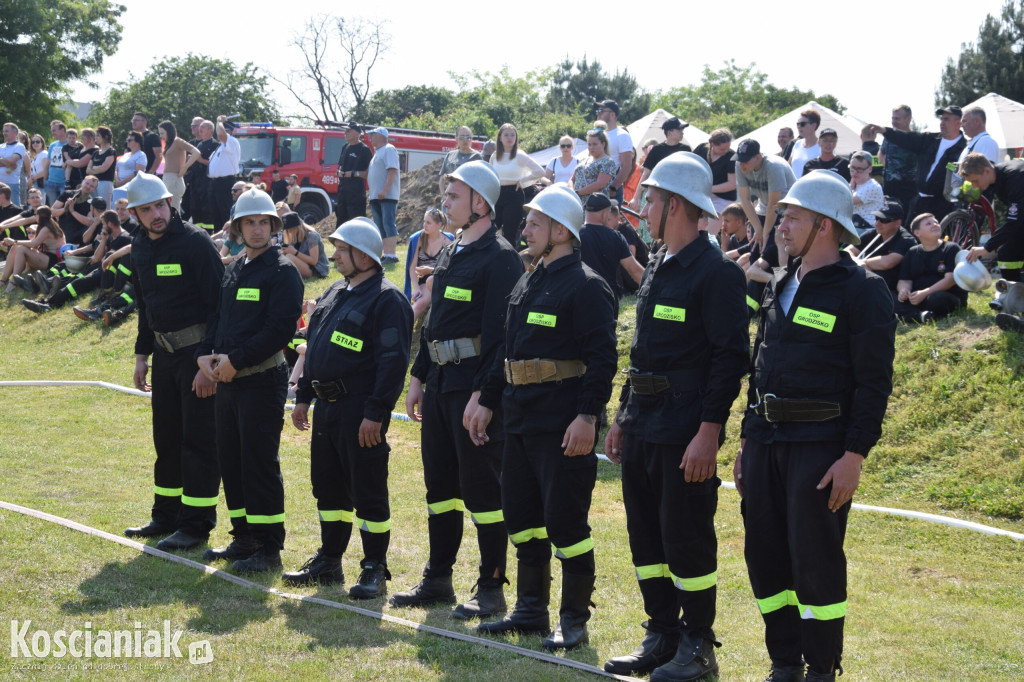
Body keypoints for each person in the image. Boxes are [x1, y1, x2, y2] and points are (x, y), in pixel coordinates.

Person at [737, 169, 895, 682]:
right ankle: (784, 662)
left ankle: (820, 667)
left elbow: (873, 384)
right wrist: (746, 438)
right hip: (765, 441)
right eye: (781, 215)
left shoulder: (863, 291)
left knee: (815, 562)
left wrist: (854, 455)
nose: (780, 224)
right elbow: (760, 365)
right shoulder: (782, 283)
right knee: (764, 555)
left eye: (793, 217)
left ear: (824, 225)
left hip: (820, 446)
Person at [602, 152, 749, 681]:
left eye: (652, 198)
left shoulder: (716, 274)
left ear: (678, 205)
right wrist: (622, 414)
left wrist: (709, 432)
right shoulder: (660, 264)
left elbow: (730, 360)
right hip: (643, 421)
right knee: (646, 536)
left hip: (685, 428)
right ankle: (661, 634)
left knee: (685, 536)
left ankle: (697, 644)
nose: (643, 207)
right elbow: (642, 351)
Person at [476, 184, 616, 649]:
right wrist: (489, 400)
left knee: (565, 522)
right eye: (527, 221)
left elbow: (602, 360)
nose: (526, 229)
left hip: (562, 422)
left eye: (536, 223)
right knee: (522, 515)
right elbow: (506, 349)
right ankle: (531, 609)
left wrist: (587, 416)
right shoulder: (527, 279)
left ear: (561, 230)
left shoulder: (588, 286)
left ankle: (573, 619)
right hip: (519, 416)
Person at [391, 161, 522, 619]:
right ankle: (438, 578)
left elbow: (501, 337)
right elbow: (434, 324)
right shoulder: (449, 252)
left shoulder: (501, 257)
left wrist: (485, 397)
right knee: (440, 488)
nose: (444, 203)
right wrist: (417, 377)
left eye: (453, 196)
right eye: (446, 196)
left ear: (480, 203)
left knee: (481, 491)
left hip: (473, 389)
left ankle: (491, 587)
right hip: (442, 385)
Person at [284, 217, 413, 596]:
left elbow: (393, 364)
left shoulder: (387, 301)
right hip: (326, 409)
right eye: (336, 248)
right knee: (328, 488)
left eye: (342, 249)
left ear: (364, 255)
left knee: (368, 489)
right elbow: (315, 348)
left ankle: (374, 567)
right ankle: (329, 560)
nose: (335, 255)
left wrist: (376, 413)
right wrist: (303, 397)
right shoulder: (334, 293)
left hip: (360, 411)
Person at [193, 188, 302, 573]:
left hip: (261, 380)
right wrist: (204, 355)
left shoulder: (283, 271)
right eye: (249, 222)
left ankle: (269, 548)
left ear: (274, 226)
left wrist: (235, 361)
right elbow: (218, 321)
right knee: (232, 460)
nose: (257, 229)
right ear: (238, 227)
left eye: (263, 222)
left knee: (258, 463)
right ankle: (244, 538)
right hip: (229, 382)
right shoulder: (234, 268)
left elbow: (279, 330)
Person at [123, 172, 224, 552]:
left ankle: (195, 525)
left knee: (197, 441)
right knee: (166, 439)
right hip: (164, 357)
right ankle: (165, 516)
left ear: (170, 203)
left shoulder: (196, 243)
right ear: (135, 213)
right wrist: (141, 355)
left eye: (159, 205)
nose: (155, 214)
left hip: (196, 357)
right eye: (146, 209)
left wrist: (208, 363)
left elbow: (220, 306)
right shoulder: (139, 247)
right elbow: (146, 306)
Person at [21, 209, 133, 315]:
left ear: (110, 224)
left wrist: (101, 249)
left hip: (108, 275)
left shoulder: (124, 238)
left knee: (78, 283)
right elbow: (97, 257)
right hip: (102, 269)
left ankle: (50, 304)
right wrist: (103, 240)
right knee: (76, 280)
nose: (102, 227)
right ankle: (47, 301)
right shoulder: (111, 236)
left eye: (103, 224)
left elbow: (103, 259)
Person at [870, 106, 965, 222]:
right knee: (910, 234)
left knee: (935, 237)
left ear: (958, 123)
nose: (942, 123)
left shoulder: (964, 148)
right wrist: (886, 131)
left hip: (942, 205)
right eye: (942, 119)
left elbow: (958, 175)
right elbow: (907, 138)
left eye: (946, 119)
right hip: (919, 201)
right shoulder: (930, 139)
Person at [961, 153, 1024, 282]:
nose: (974, 186)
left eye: (975, 181)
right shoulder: (996, 177)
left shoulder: (1016, 179)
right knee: (1007, 253)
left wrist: (986, 247)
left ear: (987, 171)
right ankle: (1015, 295)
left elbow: (1014, 221)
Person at [894, 213, 967, 323]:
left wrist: (924, 293)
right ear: (917, 232)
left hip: (944, 296)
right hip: (917, 297)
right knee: (889, 297)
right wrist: (904, 290)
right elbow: (904, 279)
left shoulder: (951, 248)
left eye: (936, 222)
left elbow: (950, 279)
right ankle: (920, 316)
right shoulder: (912, 252)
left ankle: (911, 314)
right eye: (929, 224)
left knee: (937, 298)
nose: (935, 225)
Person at [579, 193, 644, 307]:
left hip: (580, 298)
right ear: (604, 213)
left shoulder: (575, 236)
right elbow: (635, 271)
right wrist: (657, 290)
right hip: (607, 299)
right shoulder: (616, 237)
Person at [735, 139, 797, 255]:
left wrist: (765, 233)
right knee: (756, 251)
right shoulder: (739, 165)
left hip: (786, 210)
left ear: (758, 157)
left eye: (745, 160)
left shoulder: (773, 166)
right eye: (739, 159)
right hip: (764, 208)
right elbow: (745, 200)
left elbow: (774, 205)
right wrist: (758, 229)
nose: (741, 164)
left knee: (772, 255)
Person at [847, 198, 917, 296]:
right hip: (866, 283)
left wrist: (862, 264)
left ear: (898, 223)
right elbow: (847, 251)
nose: (877, 223)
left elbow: (888, 262)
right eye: (877, 218)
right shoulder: (873, 233)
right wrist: (858, 263)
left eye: (884, 220)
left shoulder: (906, 239)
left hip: (889, 290)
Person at [489, 123, 545, 246]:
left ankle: (510, 261)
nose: (510, 138)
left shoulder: (520, 155)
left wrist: (523, 181)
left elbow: (540, 171)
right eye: (506, 135)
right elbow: (490, 175)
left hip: (514, 194)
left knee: (510, 232)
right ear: (500, 138)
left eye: (512, 135)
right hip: (498, 194)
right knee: (491, 229)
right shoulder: (494, 155)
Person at [1, 206, 64, 292]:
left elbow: (33, 244)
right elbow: (34, 245)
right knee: (16, 247)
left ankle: (14, 281)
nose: (35, 217)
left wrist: (14, 241)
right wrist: (14, 243)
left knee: (21, 248)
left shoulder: (46, 228)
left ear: (38, 216)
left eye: (36, 215)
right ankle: (4, 279)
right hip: (47, 257)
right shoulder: (47, 226)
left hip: (52, 260)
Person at [408, 207, 454, 319]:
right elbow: (412, 267)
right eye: (424, 221)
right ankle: (402, 333)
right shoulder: (418, 239)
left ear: (439, 225)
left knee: (431, 285)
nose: (424, 225)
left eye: (428, 223)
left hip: (441, 279)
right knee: (418, 306)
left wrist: (429, 270)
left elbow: (450, 269)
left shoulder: (448, 241)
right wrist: (416, 288)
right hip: (424, 280)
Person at [692, 128, 737, 233]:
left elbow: (732, 184)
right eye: (722, 149)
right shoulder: (701, 149)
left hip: (722, 200)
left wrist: (708, 189)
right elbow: (690, 168)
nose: (726, 151)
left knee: (709, 233)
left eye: (728, 148)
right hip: (702, 197)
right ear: (712, 144)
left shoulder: (731, 156)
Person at [877, 105, 919, 214]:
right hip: (889, 187)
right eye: (892, 118)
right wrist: (887, 165)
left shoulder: (915, 138)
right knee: (887, 216)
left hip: (909, 189)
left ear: (908, 119)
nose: (893, 122)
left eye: (897, 119)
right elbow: (881, 153)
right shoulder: (889, 137)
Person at [594, 99, 635, 203]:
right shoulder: (597, 134)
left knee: (609, 219)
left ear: (612, 115)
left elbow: (627, 166)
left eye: (601, 111)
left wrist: (613, 188)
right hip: (593, 186)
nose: (598, 114)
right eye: (597, 111)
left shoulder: (622, 135)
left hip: (610, 188)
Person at [208, 116, 241, 232]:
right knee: (216, 215)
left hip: (225, 182)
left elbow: (221, 134)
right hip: (216, 183)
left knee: (224, 213)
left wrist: (219, 120)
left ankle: (228, 239)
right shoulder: (220, 147)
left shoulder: (232, 141)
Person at [159, 121, 201, 212]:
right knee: (169, 210)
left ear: (169, 131)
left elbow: (196, 152)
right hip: (168, 179)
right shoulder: (170, 144)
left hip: (174, 180)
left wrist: (185, 167)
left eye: (162, 133)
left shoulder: (177, 141)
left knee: (173, 210)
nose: (161, 136)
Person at [336, 124, 373, 225]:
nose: (345, 133)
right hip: (343, 190)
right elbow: (339, 166)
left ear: (356, 133)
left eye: (348, 131)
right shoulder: (345, 147)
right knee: (341, 219)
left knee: (356, 221)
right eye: (345, 131)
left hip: (356, 193)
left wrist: (354, 174)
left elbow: (370, 173)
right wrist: (338, 172)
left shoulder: (364, 150)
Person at [186, 120, 221, 227]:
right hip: (195, 182)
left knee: (207, 209)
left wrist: (200, 160)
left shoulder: (215, 145)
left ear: (210, 130)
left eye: (203, 127)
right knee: (195, 208)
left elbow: (216, 164)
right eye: (199, 127)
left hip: (207, 183)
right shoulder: (199, 144)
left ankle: (208, 232)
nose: (200, 129)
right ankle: (197, 230)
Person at [572, 123, 617, 200]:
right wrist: (571, 191)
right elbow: (572, 179)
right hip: (577, 202)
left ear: (603, 144)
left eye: (595, 144)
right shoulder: (583, 160)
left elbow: (599, 185)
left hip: (595, 205)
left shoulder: (608, 162)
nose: (591, 147)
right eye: (589, 144)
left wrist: (577, 193)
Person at [279, 211, 329, 279]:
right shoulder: (293, 237)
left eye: (290, 229)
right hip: (304, 266)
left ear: (297, 226)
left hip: (317, 270)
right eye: (286, 229)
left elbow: (314, 261)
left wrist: (295, 252)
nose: (288, 231)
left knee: (289, 257)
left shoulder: (312, 236)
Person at [439, 126, 483, 195]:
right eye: (462, 137)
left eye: (468, 137)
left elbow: (480, 180)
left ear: (471, 139)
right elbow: (442, 178)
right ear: (456, 139)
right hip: (449, 197)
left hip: (466, 198)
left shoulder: (477, 156)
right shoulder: (450, 155)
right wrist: (443, 195)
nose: (465, 140)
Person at [848, 151, 885, 232]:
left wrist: (850, 186)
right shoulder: (856, 184)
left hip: (868, 230)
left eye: (860, 169)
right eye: (852, 168)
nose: (855, 172)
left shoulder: (872, 186)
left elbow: (846, 201)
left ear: (870, 169)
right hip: (856, 226)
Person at [789, 110, 821, 178]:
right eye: (797, 124)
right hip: (795, 187)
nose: (799, 127)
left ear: (813, 126)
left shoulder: (823, 146)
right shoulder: (797, 144)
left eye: (802, 124)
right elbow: (788, 167)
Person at [0, 123, 26, 207]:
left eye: (7, 131)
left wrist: (9, 162)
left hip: (11, 183)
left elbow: (12, 161)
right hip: (0, 182)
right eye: (3, 131)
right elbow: (10, 163)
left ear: (15, 133)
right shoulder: (1, 146)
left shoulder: (19, 146)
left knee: (15, 209)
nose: (4, 133)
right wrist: (8, 163)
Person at [44, 120, 68, 205]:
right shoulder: (52, 145)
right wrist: (45, 180)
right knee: (52, 208)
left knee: (64, 207)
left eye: (54, 130)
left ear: (62, 130)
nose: (52, 133)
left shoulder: (72, 144)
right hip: (51, 182)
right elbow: (47, 163)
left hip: (64, 182)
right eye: (52, 131)